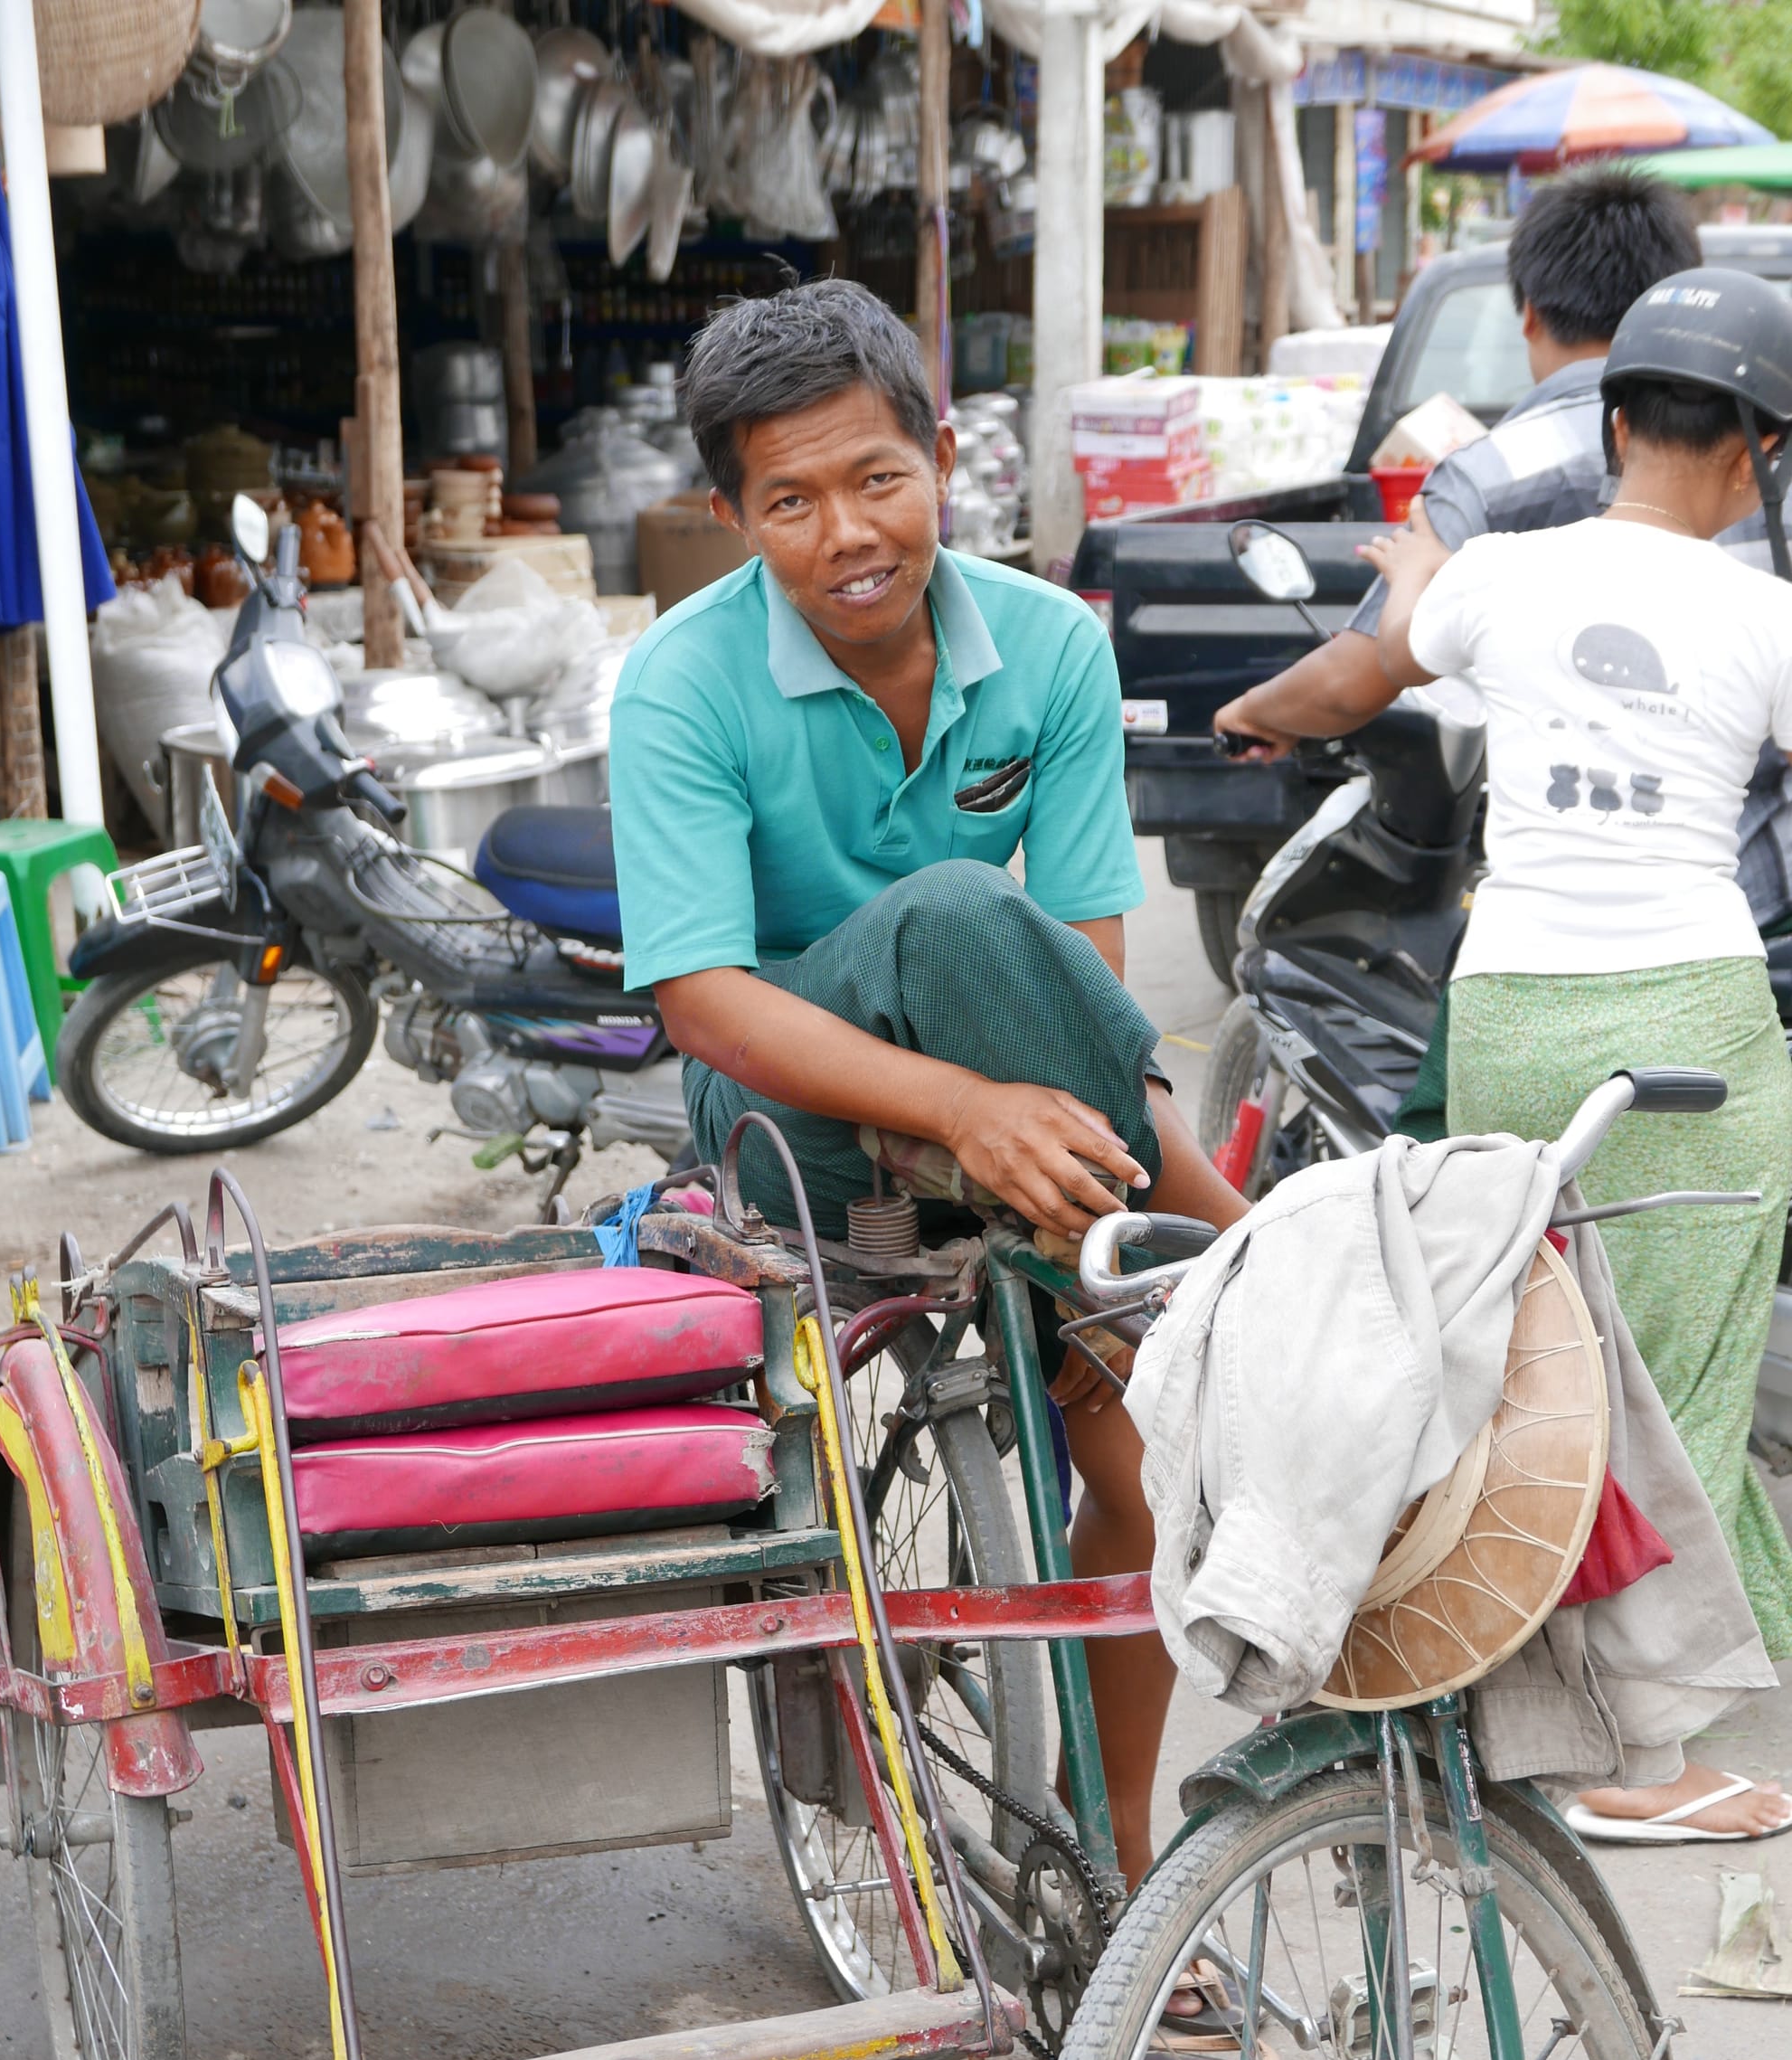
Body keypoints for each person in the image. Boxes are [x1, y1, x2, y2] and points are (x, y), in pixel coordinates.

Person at [608, 280, 1246, 1892]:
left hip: (1022, 1106)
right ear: (732, 513)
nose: (847, 533)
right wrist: (952, 1110)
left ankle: (1106, 1866)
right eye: (791, 500)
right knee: (957, 904)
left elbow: (1081, 982)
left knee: (1146, 1476)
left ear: (942, 459)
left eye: (877, 478)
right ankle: (1247, 1245)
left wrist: (1000, 1110)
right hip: (786, 1127)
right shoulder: (681, 683)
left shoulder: (1051, 644)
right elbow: (700, 999)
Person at [1354, 265, 1792, 1843]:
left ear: (1611, 420)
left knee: (1535, 1357)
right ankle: (1642, 1762)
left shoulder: (1500, 575)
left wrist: (1288, 691)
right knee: (1681, 1368)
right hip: (1694, 1009)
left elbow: (1386, 648)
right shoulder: (1766, 611)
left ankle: (1523, 1696)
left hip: (1514, 1010)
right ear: (1757, 457)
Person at [1213, 166, 1702, 766]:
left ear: (1529, 316)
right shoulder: (1748, 466)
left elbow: (1355, 681)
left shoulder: (1489, 474)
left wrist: (1255, 711)